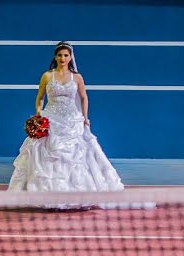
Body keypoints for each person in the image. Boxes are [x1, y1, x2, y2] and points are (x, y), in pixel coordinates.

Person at [8, 41, 123, 208]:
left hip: (72, 121)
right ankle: (45, 195)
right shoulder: (47, 76)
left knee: (75, 157)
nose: (62, 58)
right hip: (51, 120)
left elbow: (84, 97)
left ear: (70, 58)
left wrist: (85, 117)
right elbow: (40, 98)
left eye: (66, 55)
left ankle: (74, 196)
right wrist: (39, 114)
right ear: (55, 57)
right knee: (45, 156)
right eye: (60, 55)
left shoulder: (77, 77)